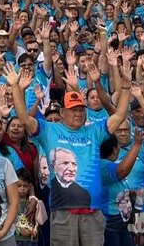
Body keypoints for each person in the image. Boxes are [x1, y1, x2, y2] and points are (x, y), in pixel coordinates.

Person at [8, 60, 134, 246]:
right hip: (62, 211)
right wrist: (16, 88)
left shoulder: (94, 131)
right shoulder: (49, 130)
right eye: (74, 110)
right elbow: (25, 119)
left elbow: (120, 114)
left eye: (81, 110)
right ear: (63, 111)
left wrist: (125, 86)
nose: (79, 114)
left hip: (93, 212)